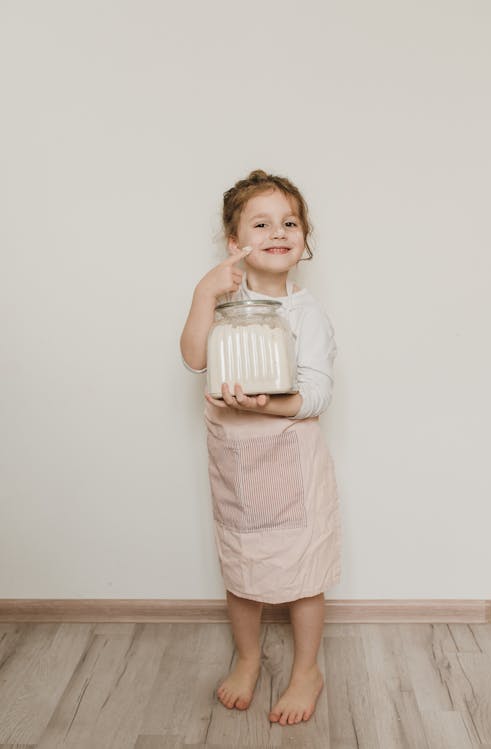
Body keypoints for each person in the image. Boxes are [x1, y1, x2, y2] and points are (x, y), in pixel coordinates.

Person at [180, 169, 341, 726]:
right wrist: (205, 292)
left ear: (304, 239)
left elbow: (316, 395)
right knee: (242, 562)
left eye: (290, 222)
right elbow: (196, 359)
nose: (279, 231)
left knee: (303, 569)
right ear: (235, 243)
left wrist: (264, 405)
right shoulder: (225, 301)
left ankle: (306, 670)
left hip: (290, 455)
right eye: (262, 223)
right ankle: (247, 657)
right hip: (236, 458)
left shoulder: (306, 313)